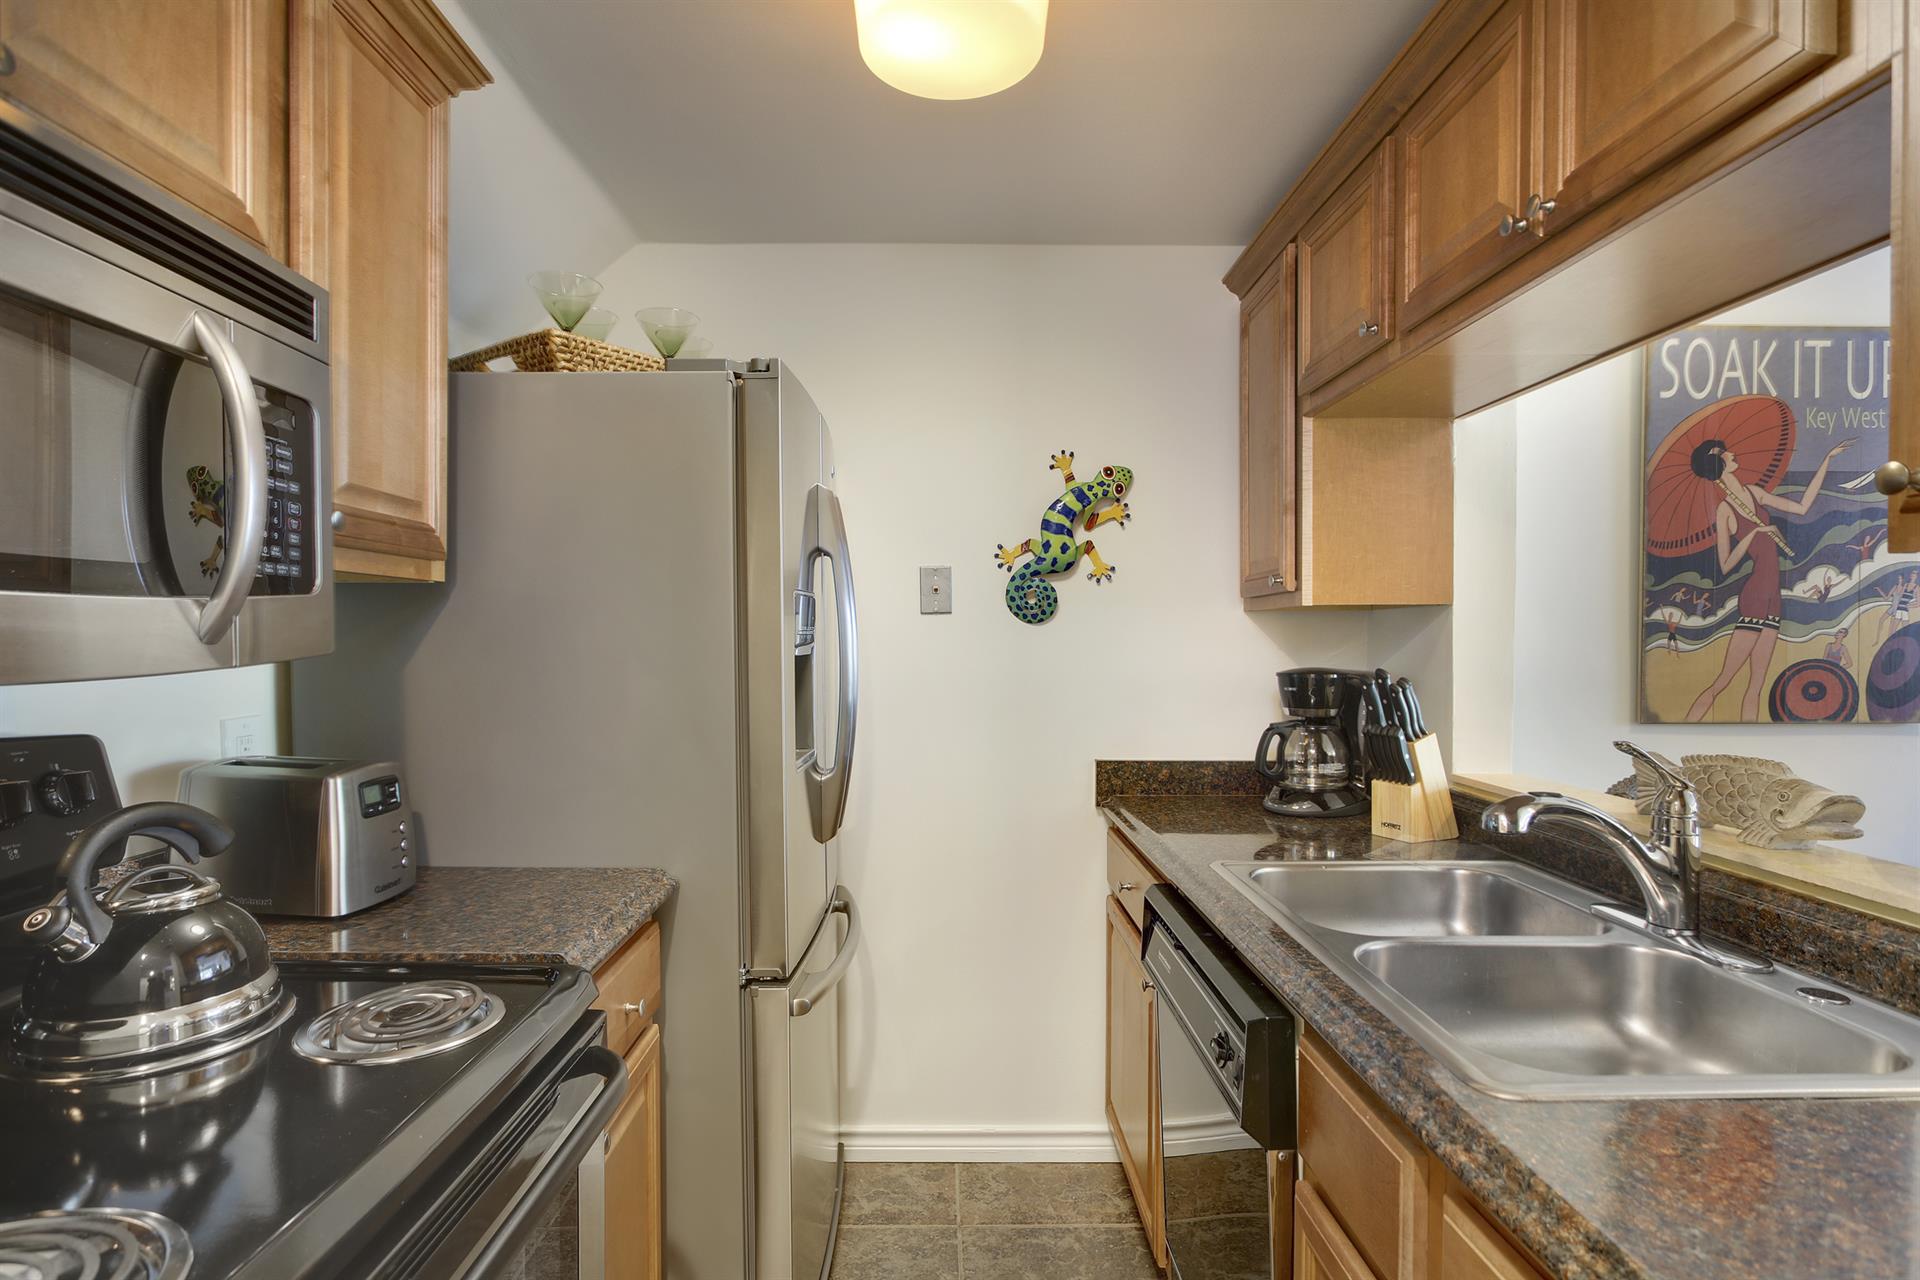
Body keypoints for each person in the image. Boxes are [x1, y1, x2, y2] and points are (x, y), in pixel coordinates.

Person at [1685, 435, 1853, 721]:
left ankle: (1748, 743)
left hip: (1773, 596)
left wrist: (1827, 460)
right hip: (1755, 596)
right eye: (1724, 453)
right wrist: (1755, 532)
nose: (1732, 453)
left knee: (1756, 686)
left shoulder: (1753, 492)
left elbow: (1801, 508)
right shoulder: (1725, 510)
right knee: (1723, 681)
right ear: (1717, 463)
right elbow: (1725, 564)